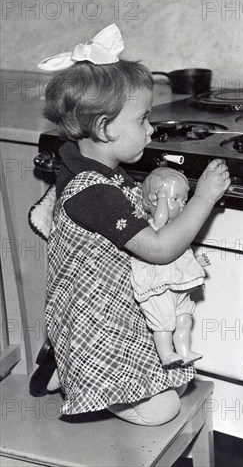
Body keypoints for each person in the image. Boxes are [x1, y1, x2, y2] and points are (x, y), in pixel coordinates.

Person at [31, 23, 230, 426]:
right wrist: (205, 197)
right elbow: (159, 248)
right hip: (100, 323)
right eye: (143, 119)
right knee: (166, 408)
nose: (152, 129)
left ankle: (61, 366)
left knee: (171, 381)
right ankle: (82, 379)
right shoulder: (95, 192)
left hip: (104, 307)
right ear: (104, 128)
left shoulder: (84, 162)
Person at [133, 167, 208, 368]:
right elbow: (160, 218)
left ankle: (184, 350)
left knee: (185, 319)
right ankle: (166, 354)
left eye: (184, 201)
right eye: (175, 199)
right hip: (158, 286)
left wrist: (197, 263)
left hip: (177, 285)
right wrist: (163, 199)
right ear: (155, 200)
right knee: (164, 323)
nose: (182, 206)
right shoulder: (152, 227)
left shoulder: (177, 232)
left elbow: (181, 257)